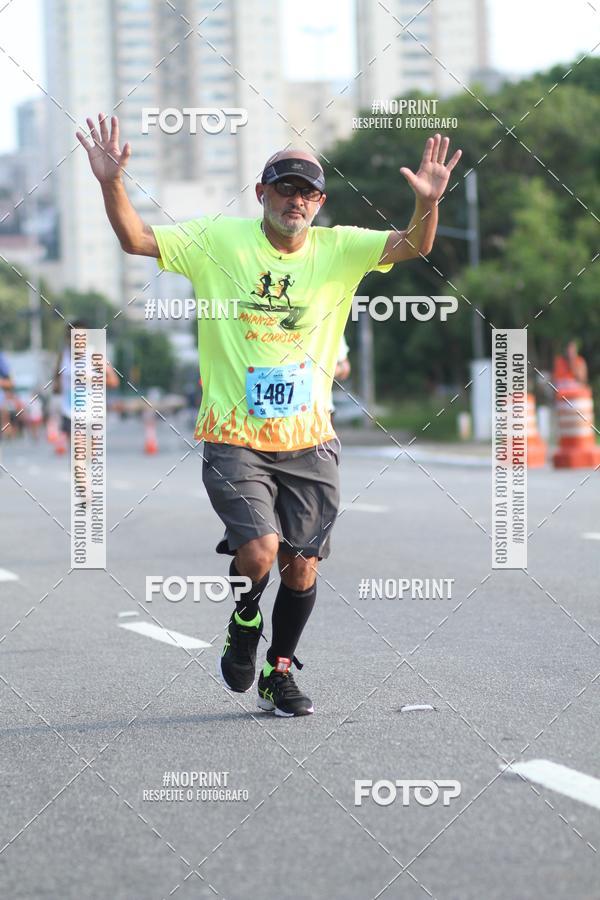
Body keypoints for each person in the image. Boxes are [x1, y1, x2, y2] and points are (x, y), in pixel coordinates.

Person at [77, 113, 461, 717]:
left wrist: (428, 203)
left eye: (308, 192)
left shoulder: (340, 249)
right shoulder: (219, 241)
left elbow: (415, 245)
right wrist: (111, 183)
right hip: (235, 435)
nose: (296, 201)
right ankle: (244, 620)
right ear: (262, 193)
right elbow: (136, 239)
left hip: (309, 438)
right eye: (285, 189)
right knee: (259, 552)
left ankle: (278, 673)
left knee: (301, 567)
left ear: (320, 203)